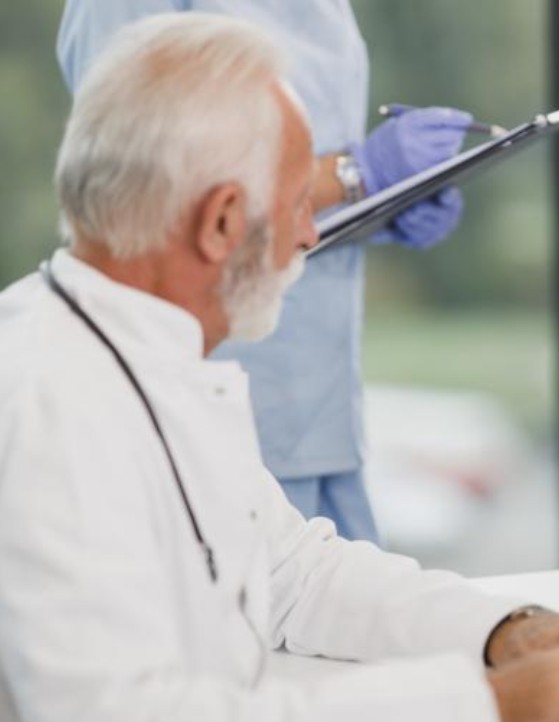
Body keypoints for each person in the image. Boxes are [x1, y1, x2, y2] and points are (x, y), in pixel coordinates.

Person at [0, 15, 559, 722]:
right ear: (219, 223)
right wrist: (500, 706)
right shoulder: (49, 404)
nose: (312, 234)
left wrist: (515, 631)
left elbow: (296, 574)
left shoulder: (148, 359)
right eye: (296, 204)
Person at [57, 0, 476, 542]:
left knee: (331, 582)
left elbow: (286, 175)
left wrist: (378, 206)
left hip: (319, 403)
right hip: (212, 389)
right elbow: (134, 188)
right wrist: (355, 174)